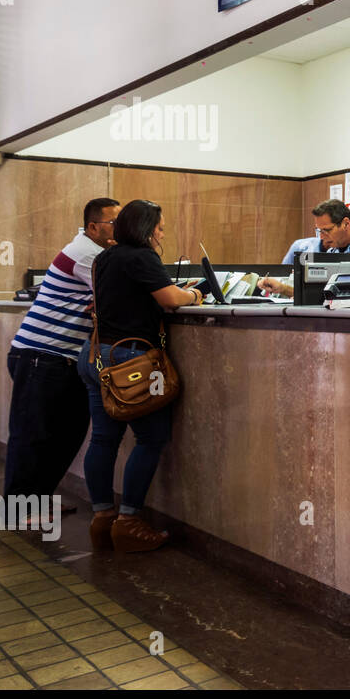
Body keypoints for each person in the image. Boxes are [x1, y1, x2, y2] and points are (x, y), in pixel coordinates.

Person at [77, 199, 203, 553]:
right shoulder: (141, 256)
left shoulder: (104, 258)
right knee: (151, 438)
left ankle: (102, 518)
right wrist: (194, 293)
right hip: (132, 364)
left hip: (99, 357)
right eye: (160, 228)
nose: (162, 233)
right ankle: (129, 522)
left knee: (103, 439)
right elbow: (169, 299)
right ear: (147, 229)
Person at [4, 198, 121, 509]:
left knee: (66, 434)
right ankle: (20, 510)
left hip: (61, 358)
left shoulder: (98, 253)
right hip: (42, 355)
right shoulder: (88, 254)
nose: (120, 229)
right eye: (114, 223)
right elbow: (119, 295)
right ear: (94, 227)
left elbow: (108, 299)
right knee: (33, 435)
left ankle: (37, 501)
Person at [262, 199, 350, 296]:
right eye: (319, 230)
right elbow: (319, 295)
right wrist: (283, 288)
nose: (321, 237)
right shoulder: (331, 252)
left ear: (346, 224)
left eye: (326, 230)